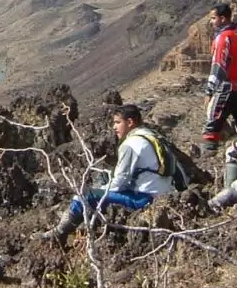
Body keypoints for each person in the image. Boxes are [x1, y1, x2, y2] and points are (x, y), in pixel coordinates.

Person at [33, 104, 174, 243]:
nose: (114, 127)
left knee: (84, 195)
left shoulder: (131, 144)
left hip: (143, 199)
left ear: (130, 122)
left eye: (118, 122)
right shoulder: (151, 136)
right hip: (162, 196)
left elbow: (120, 181)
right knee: (103, 179)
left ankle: (57, 234)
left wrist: (97, 192)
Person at [200, 2, 237, 157]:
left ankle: (207, 163)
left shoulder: (223, 38)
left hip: (226, 88)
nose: (211, 22)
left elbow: (219, 66)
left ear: (222, 19)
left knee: (212, 124)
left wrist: (209, 91)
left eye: (213, 18)